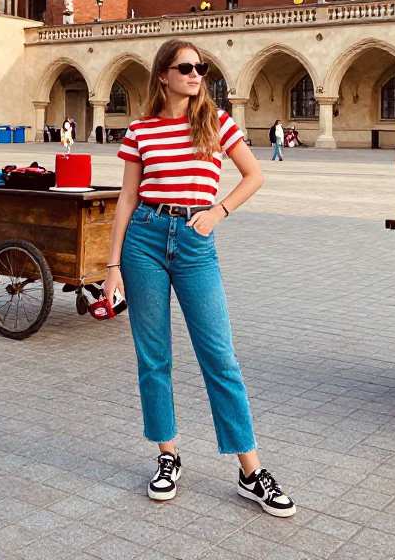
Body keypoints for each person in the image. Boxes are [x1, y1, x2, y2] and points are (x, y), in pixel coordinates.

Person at [104, 39, 297, 517]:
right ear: (163, 76)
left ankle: (250, 470)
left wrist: (219, 211)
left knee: (220, 357)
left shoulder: (215, 122)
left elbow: (254, 175)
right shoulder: (141, 131)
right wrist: (111, 267)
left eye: (201, 68)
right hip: (144, 240)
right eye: (185, 67)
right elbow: (126, 199)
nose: (195, 74)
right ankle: (168, 456)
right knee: (154, 358)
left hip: (194, 241)